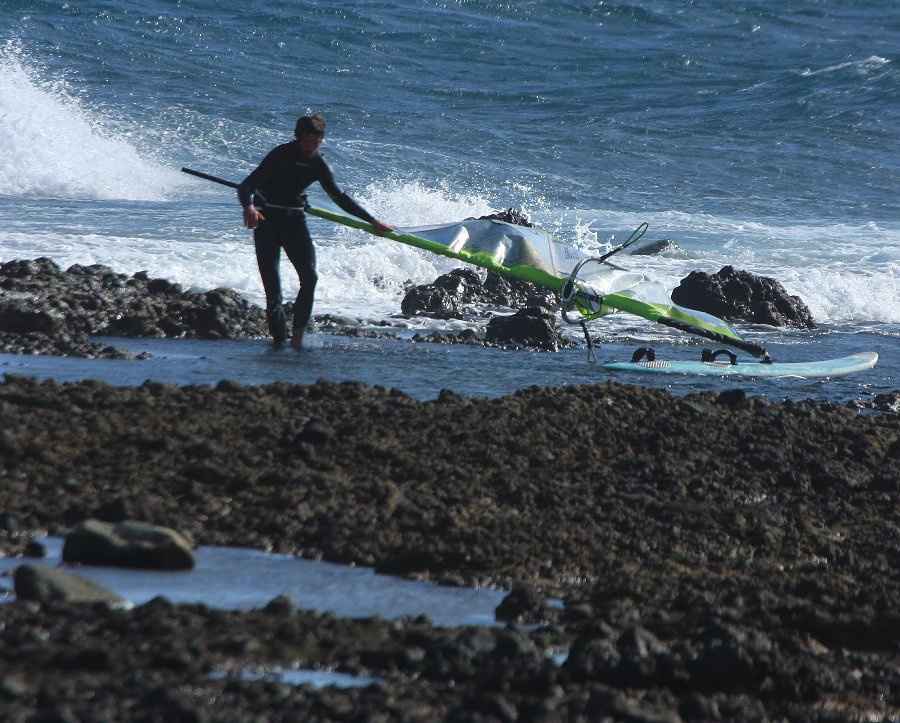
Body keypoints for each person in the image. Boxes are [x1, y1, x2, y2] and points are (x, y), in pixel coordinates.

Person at [237, 114, 394, 348]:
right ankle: (280, 343)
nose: (311, 147)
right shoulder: (280, 155)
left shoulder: (318, 164)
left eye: (316, 143)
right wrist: (248, 206)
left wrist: (373, 220)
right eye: (307, 142)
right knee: (273, 291)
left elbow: (340, 197)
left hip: (294, 222)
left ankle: (297, 340)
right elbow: (246, 185)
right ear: (298, 138)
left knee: (310, 278)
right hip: (267, 221)